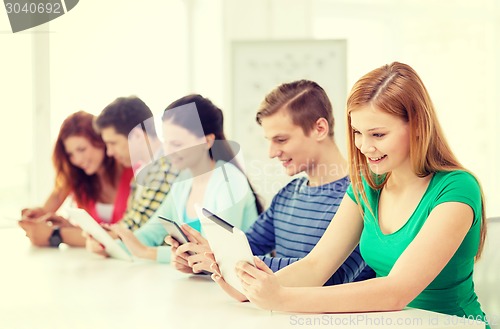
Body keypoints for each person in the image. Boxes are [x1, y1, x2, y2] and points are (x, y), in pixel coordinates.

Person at [212, 62, 489, 328]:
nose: (365, 146)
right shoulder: (367, 185)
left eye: (378, 134)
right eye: (358, 132)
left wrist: (281, 297)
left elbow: (396, 291)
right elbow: (316, 265)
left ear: (417, 126)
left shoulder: (457, 189)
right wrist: (253, 290)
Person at [170, 80, 374, 285]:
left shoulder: (362, 195)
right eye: (270, 141)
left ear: (319, 128)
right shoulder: (288, 194)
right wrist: (203, 260)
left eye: (281, 140)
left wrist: (230, 262)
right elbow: (245, 249)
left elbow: (330, 276)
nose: (272, 153)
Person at [88, 94, 262, 263]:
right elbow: (150, 233)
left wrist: (148, 252)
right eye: (167, 142)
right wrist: (110, 247)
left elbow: (219, 254)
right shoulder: (183, 181)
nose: (168, 151)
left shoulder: (228, 181)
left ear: (207, 141)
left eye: (177, 144)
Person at [19, 111, 133, 247]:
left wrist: (58, 234)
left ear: (100, 141)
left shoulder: (132, 169)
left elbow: (127, 235)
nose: (77, 160)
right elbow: (48, 209)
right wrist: (37, 216)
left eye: (81, 149)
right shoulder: (77, 177)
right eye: (70, 154)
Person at [93, 96, 178, 230]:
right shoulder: (145, 169)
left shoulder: (165, 168)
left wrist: (98, 234)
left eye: (113, 143)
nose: (109, 152)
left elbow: (136, 227)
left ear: (137, 135)